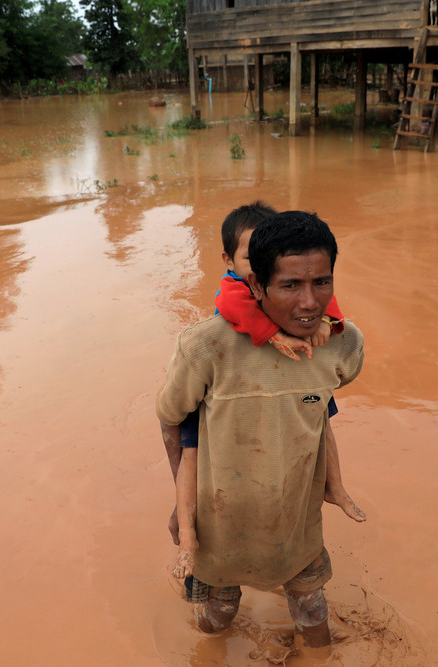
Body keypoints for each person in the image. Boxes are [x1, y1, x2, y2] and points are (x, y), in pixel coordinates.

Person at [157, 211, 365, 653]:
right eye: (290, 286)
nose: (310, 303)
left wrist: (335, 486)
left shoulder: (342, 344)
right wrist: (183, 506)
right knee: (214, 623)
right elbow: (171, 417)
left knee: (314, 622)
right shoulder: (205, 346)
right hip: (221, 527)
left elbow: (322, 412)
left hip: (297, 526)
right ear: (255, 285)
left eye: (321, 283)